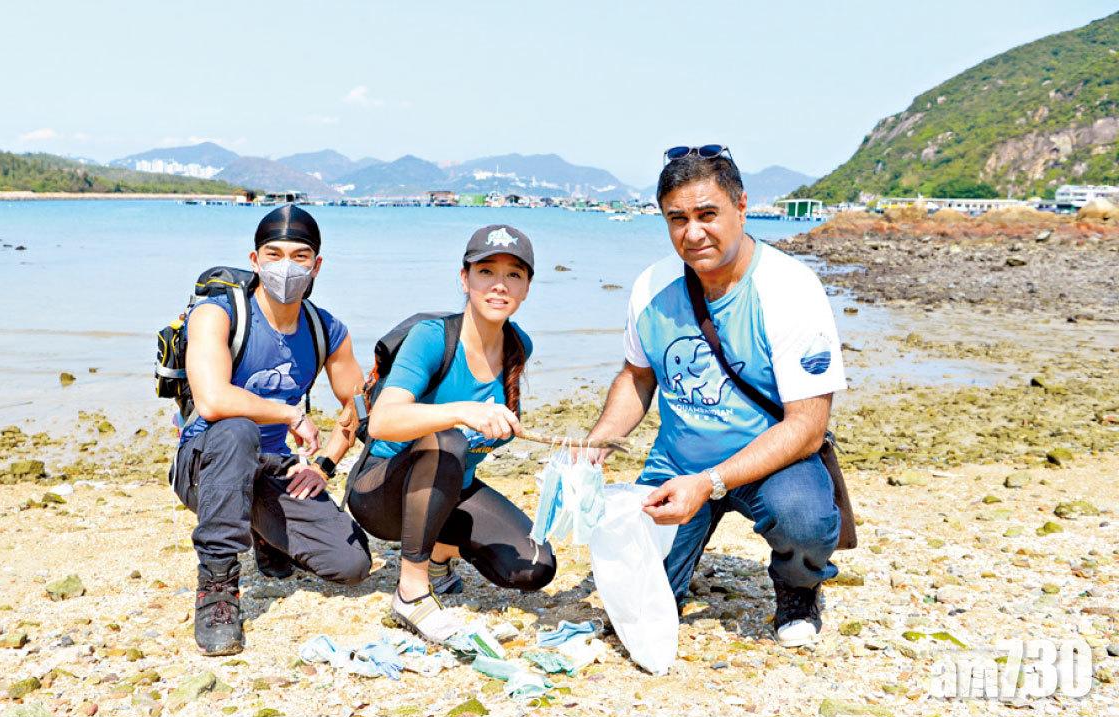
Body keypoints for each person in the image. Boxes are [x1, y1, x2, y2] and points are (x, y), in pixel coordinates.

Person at [583, 146, 846, 648]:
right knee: (641, 608)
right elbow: (637, 377)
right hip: (679, 463)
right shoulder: (652, 286)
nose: (693, 232)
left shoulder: (790, 288)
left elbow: (807, 426)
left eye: (707, 214)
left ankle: (798, 589)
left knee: (804, 520)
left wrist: (709, 483)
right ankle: (672, 571)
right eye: (677, 218)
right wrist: (598, 442)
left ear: (741, 207)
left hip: (771, 462)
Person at [170, 204, 371, 656]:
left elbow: (357, 405)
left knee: (351, 564)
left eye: (300, 256)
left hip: (272, 468)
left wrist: (323, 466)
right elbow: (212, 400)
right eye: (274, 254)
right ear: (255, 259)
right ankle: (217, 586)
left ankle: (263, 529)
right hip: (205, 464)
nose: (286, 266)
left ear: (317, 265)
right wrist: (289, 415)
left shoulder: (325, 330)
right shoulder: (218, 314)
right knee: (237, 428)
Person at [346, 224, 556, 643]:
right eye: (486, 272)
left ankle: (439, 552)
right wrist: (462, 412)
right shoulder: (432, 338)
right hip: (382, 491)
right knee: (449, 440)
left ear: (527, 287)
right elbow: (383, 421)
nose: (499, 285)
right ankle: (411, 591)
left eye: (514, 274)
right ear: (465, 278)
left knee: (536, 566)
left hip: (450, 489)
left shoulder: (519, 346)